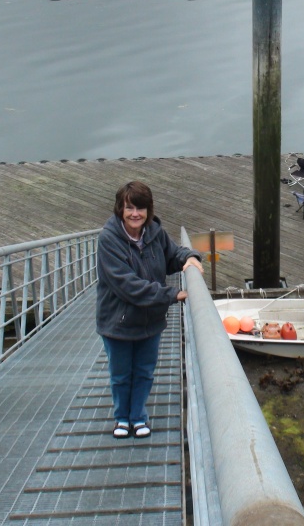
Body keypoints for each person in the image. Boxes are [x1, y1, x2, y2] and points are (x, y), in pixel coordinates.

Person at [96, 181, 203, 439]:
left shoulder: (155, 233)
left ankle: (138, 416)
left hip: (150, 321)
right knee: (121, 375)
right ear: (120, 209)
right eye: (129, 208)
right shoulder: (108, 239)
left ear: (148, 209)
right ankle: (122, 418)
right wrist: (171, 294)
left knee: (144, 372)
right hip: (118, 322)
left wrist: (190, 257)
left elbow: (173, 254)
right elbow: (127, 286)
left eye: (141, 208)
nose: (135, 214)